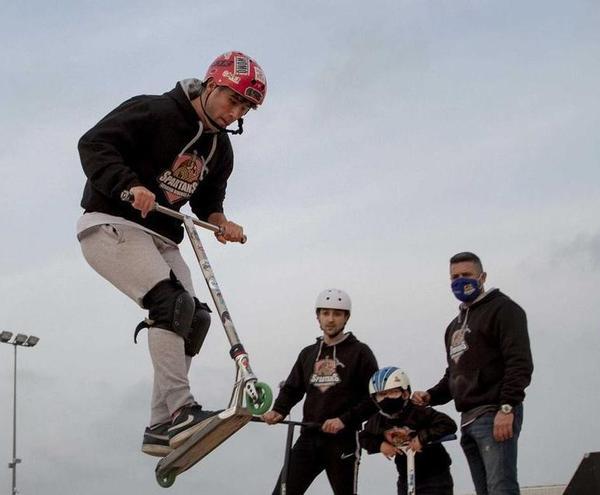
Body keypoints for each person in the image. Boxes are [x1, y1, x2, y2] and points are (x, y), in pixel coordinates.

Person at [76, 51, 267, 457]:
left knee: (193, 317)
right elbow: (93, 143)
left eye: (244, 108)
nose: (235, 113)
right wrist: (129, 185)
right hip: (112, 223)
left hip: (162, 235)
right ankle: (181, 411)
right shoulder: (155, 110)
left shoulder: (220, 150)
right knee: (170, 303)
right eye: (232, 100)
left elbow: (208, 201)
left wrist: (221, 221)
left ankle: (161, 425)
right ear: (211, 84)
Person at [412, 252, 533, 495]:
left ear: (482, 276)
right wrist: (430, 396)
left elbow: (519, 363)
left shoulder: (504, 309)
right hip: (467, 419)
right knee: (484, 491)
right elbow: (454, 375)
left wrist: (506, 407)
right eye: (454, 277)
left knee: (501, 487)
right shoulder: (453, 326)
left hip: (494, 413)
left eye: (466, 275)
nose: (460, 281)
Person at [261, 289, 379, 495]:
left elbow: (375, 398)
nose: (330, 319)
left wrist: (344, 420)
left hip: (343, 440)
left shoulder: (360, 352)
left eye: (337, 314)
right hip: (308, 436)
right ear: (318, 317)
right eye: (325, 313)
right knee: (282, 492)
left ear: (346, 317)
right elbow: (292, 388)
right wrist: (278, 410)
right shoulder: (308, 354)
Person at [360, 366, 457, 495]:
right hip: (405, 478)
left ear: (405, 393)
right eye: (382, 395)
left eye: (393, 392)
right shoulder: (378, 420)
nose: (387, 398)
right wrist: (380, 445)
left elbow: (448, 424)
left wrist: (422, 438)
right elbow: (363, 437)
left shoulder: (418, 411)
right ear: (375, 399)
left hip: (435, 476)